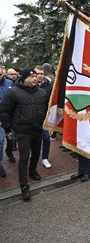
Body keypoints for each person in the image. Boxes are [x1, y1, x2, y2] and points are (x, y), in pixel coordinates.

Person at [0, 68, 48, 201]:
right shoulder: (13, 92)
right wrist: (8, 129)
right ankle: (24, 186)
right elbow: (4, 112)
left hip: (38, 131)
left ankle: (32, 170)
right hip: (23, 132)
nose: (35, 78)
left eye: (36, 76)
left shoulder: (42, 93)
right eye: (32, 76)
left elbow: (47, 110)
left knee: (36, 154)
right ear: (25, 78)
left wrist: (48, 125)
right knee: (24, 158)